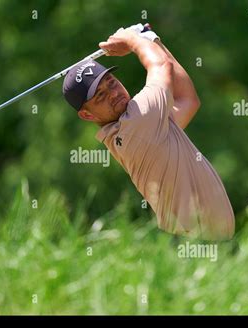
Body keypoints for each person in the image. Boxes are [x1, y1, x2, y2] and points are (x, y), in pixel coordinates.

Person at [62, 26, 235, 240]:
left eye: (112, 83)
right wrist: (134, 41)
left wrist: (151, 39)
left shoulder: (144, 123)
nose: (113, 94)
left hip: (202, 242)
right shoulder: (137, 123)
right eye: (100, 96)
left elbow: (187, 100)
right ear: (87, 115)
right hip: (195, 246)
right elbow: (161, 65)